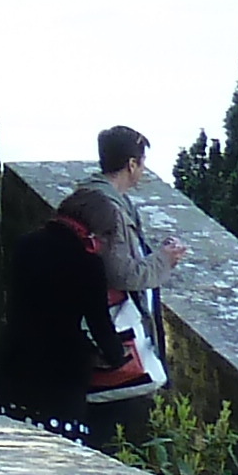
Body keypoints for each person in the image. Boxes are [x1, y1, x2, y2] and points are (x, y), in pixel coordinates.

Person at [61, 126, 186, 444]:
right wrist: (164, 260)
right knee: (113, 415)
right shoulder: (110, 210)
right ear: (131, 164)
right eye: (142, 163)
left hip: (83, 324)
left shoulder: (85, 198)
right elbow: (122, 274)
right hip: (109, 330)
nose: (143, 170)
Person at [0, 205, 127, 450]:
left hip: (15, 361)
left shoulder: (24, 245)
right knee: (58, 452)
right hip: (60, 373)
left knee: (12, 447)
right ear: (95, 233)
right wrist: (118, 357)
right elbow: (100, 325)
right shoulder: (87, 265)